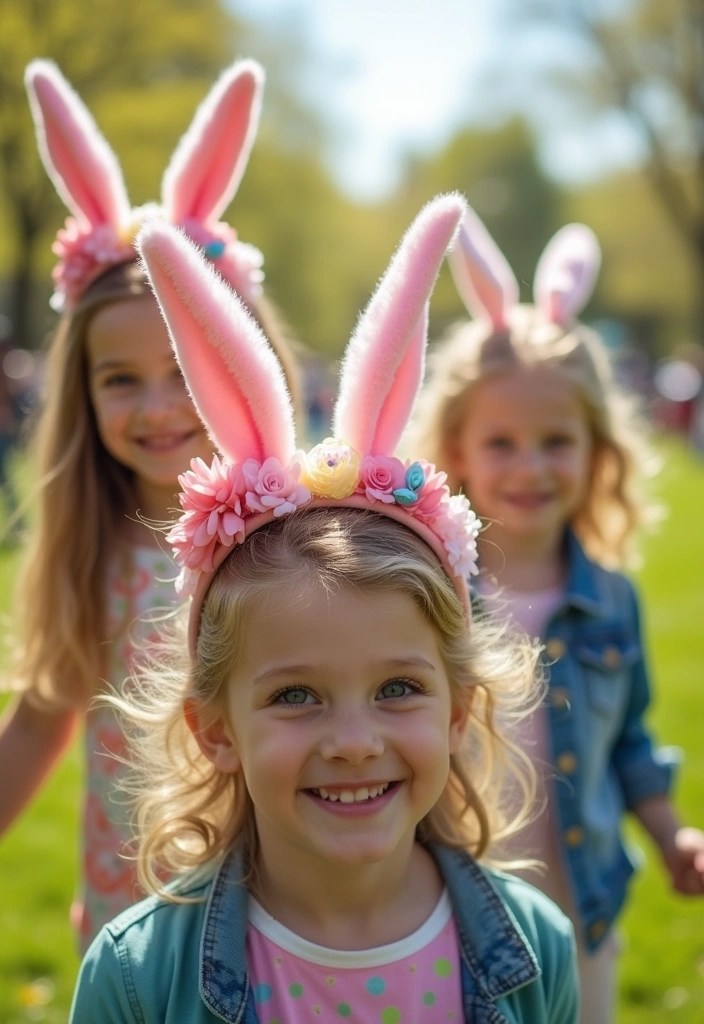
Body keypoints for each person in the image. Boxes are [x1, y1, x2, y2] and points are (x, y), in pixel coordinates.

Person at [69, 195, 579, 1023]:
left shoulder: (538, 951)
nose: (352, 742)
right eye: (296, 696)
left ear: (461, 709)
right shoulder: (136, 978)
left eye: (399, 689)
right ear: (215, 730)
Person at [0, 57, 299, 952]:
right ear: (82, 396)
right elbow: (43, 718)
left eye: (188, 370)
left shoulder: (293, 547)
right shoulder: (90, 554)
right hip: (132, 925)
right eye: (121, 379)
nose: (162, 407)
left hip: (276, 925)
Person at [407, 204, 704, 1023]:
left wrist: (673, 834)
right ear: (457, 446)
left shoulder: (611, 598)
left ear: (596, 448)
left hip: (581, 911)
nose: (530, 467)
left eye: (556, 441)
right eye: (502, 442)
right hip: (445, 902)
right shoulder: (429, 588)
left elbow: (632, 740)